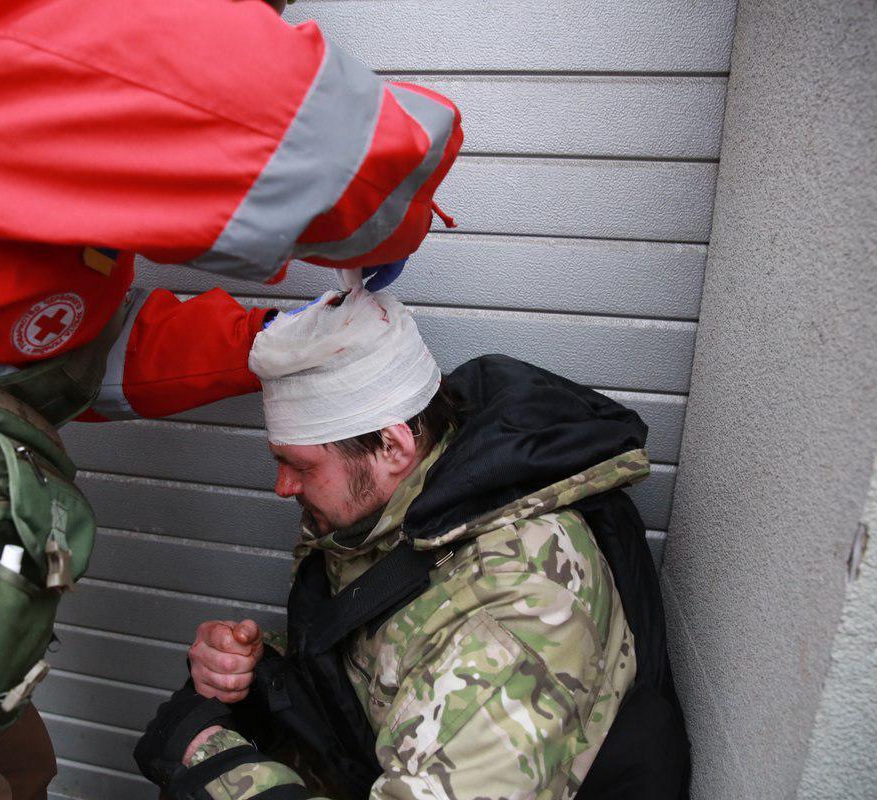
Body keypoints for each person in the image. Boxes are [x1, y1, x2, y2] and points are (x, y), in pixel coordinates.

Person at [0, 0, 464, 794]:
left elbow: (35, 345)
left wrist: (265, 340)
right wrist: (395, 219)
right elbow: (343, 158)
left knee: (28, 768)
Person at [134, 290, 690, 800]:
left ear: (393, 447)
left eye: (299, 465)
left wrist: (207, 756)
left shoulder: (516, 614)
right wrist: (255, 664)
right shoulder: (403, 506)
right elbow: (396, 646)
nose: (282, 487)